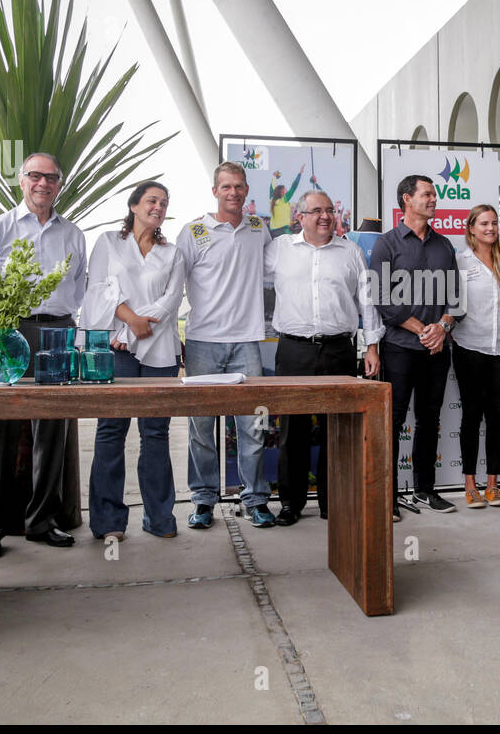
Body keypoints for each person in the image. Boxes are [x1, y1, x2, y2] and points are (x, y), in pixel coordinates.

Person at [0, 152, 87, 556]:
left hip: (57, 330)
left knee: (52, 429)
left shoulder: (73, 233)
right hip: (8, 328)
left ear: (59, 184)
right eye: (35, 176)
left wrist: (64, 327)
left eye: (52, 178)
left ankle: (42, 521)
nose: (43, 183)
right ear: (21, 180)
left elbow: (77, 286)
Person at [264, 190, 382, 526]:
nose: (324, 216)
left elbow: (367, 302)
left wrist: (371, 346)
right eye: (316, 211)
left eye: (329, 209)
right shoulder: (279, 249)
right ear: (299, 216)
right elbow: (243, 273)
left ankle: (334, 501)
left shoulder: (351, 251)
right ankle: (290, 503)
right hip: (293, 349)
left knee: (338, 430)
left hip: (338, 349)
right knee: (292, 431)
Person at [83, 181, 187, 538]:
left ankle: (160, 518)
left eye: (164, 202)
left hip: (159, 353)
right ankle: (108, 523)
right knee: (111, 432)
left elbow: (171, 300)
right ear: (133, 205)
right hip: (118, 352)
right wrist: (129, 324)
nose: (158, 206)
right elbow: (99, 290)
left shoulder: (172, 253)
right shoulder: (109, 244)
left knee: (155, 434)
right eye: (151, 200)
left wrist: (135, 328)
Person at [177, 162, 276, 529]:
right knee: (201, 426)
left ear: (246, 189)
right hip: (203, 340)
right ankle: (203, 500)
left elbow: (270, 274)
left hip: (246, 341)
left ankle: (255, 500)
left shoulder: (257, 228)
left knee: (252, 425)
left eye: (239, 186)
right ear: (214, 190)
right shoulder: (194, 231)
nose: (233, 193)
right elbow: (173, 283)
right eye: (226, 187)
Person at [369, 173, 460, 520]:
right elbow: (382, 298)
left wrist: (443, 327)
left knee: (430, 419)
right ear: (407, 199)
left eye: (434, 195)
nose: (433, 199)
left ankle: (425, 490)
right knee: (392, 422)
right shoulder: (386, 244)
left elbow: (456, 300)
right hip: (399, 349)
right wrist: (424, 330)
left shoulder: (445, 245)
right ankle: (388, 496)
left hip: (437, 350)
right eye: (427, 194)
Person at [450, 204, 500, 508]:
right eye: (484, 223)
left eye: (494, 223)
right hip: (469, 348)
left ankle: (492, 485)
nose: (490, 228)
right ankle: (469, 485)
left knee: (496, 416)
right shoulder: (459, 263)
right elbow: (451, 305)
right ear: (471, 228)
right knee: (472, 415)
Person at [269, 166, 303, 237]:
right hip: (283, 230)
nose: (287, 191)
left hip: (272, 231)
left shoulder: (272, 200)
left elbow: (271, 188)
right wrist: (299, 174)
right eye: (285, 190)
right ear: (281, 192)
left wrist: (274, 177)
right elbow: (293, 187)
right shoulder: (283, 200)